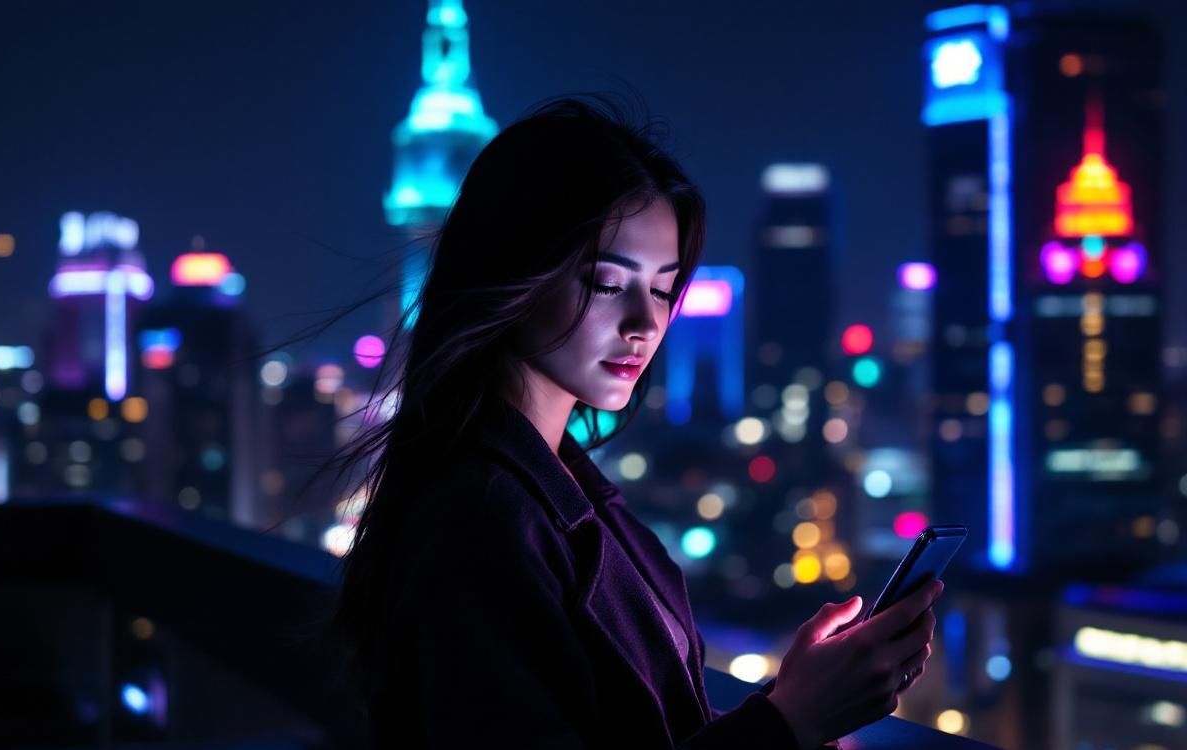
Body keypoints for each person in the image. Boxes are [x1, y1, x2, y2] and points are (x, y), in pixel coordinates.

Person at [324, 93, 941, 749]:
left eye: (662, 288)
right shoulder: (483, 516)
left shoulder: (557, 493)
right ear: (517, 271)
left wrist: (792, 698)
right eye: (607, 282)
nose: (647, 325)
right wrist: (790, 723)